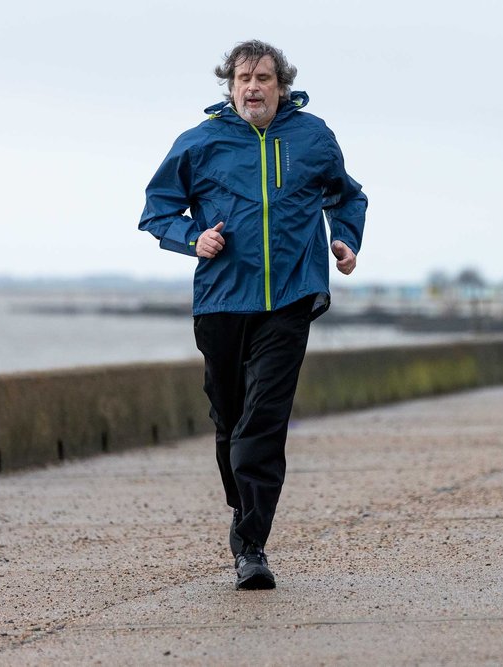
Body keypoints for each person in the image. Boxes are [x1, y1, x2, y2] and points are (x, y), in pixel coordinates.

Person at [139, 40, 367, 589]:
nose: (253, 87)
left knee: (264, 419)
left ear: (281, 85)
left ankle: (252, 546)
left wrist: (344, 241)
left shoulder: (312, 137)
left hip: (290, 298)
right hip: (222, 301)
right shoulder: (200, 143)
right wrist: (194, 239)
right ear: (231, 85)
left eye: (263, 77)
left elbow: (347, 196)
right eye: (243, 78)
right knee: (230, 419)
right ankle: (244, 512)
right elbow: (157, 210)